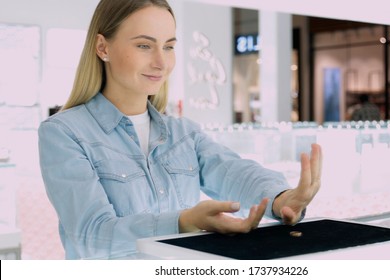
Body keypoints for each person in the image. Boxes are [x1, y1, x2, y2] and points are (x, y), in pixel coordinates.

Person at [38, 0, 322, 260]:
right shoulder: (64, 133)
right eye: (144, 46)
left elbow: (234, 172)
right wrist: (182, 223)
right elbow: (90, 236)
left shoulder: (183, 132)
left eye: (169, 46)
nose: (162, 63)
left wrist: (281, 198)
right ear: (103, 48)